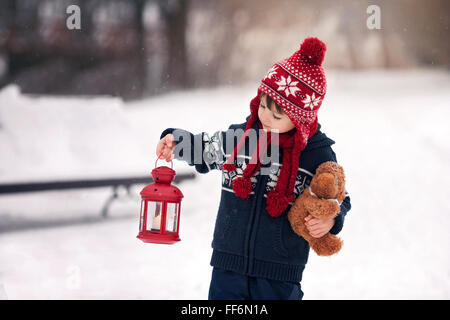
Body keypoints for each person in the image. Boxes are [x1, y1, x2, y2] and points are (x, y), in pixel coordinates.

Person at [156, 37, 351, 300]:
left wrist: (331, 219)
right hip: (228, 264)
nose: (265, 117)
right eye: (262, 105)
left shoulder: (316, 154)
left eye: (277, 115)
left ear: (300, 119)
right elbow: (206, 149)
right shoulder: (241, 139)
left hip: (280, 274)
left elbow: (340, 198)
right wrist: (176, 141)